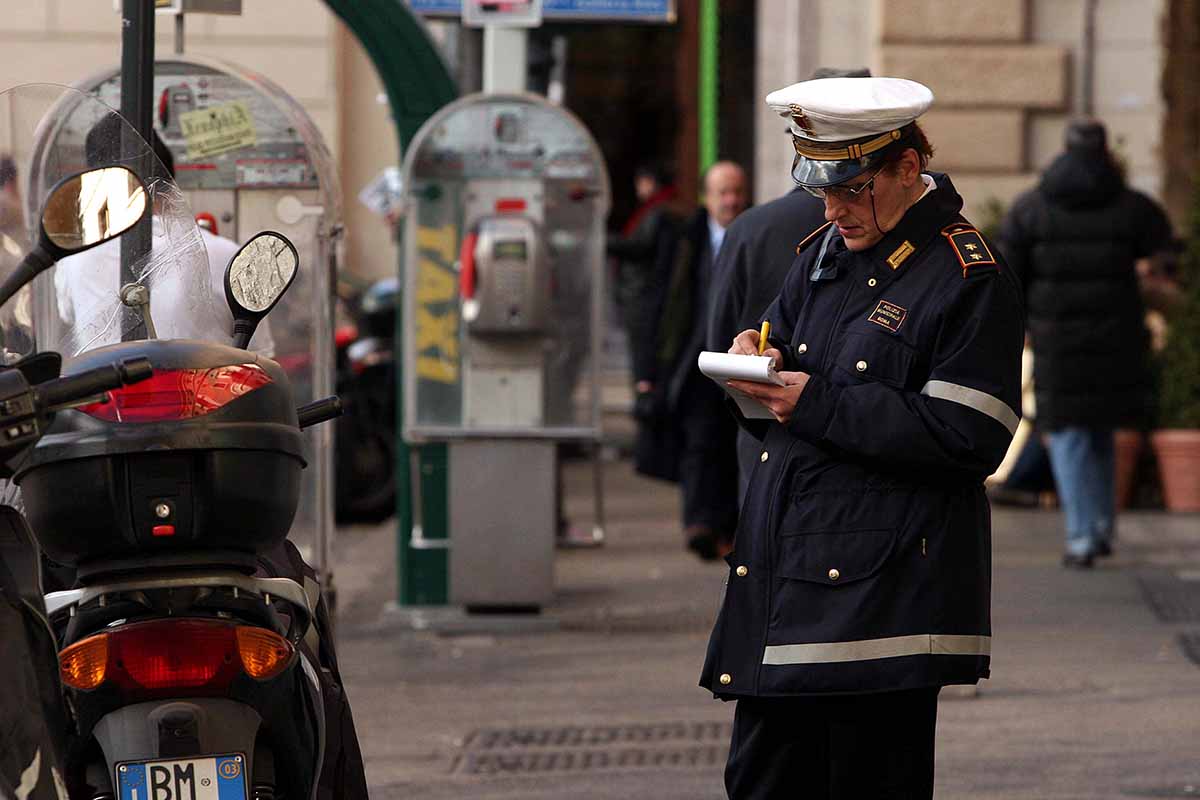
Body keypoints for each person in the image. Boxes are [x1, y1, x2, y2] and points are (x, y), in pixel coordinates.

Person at [699, 77, 1024, 798]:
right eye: (821, 186)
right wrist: (761, 358)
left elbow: (973, 435)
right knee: (760, 780)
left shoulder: (968, 274)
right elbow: (789, 354)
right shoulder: (826, 250)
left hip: (884, 598)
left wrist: (814, 404)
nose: (833, 207)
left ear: (907, 169)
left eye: (852, 186)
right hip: (792, 571)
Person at [998, 120, 1172, 568]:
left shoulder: (1034, 206)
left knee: (1069, 434)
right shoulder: (1130, 205)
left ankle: (1080, 535)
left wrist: (1020, 326)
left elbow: (1008, 270)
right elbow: (1166, 249)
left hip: (1058, 339)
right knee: (1102, 432)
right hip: (1117, 338)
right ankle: (1100, 528)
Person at [708, 67, 870, 501]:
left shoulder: (750, 228)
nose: (834, 213)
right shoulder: (804, 236)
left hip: (790, 442)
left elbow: (719, 338)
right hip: (795, 439)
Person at [53, 121, 274, 355]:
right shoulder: (227, 255)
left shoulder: (74, 258)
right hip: (203, 391)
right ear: (170, 182)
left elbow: (69, 314)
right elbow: (260, 358)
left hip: (102, 390)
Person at [647, 160, 748, 559]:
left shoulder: (754, 234)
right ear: (707, 197)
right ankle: (699, 522)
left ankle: (724, 525)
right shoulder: (685, 239)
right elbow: (660, 301)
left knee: (729, 443)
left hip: (739, 359)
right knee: (698, 443)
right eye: (723, 192)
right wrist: (652, 369)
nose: (731, 200)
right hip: (693, 360)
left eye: (737, 191)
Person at [606, 161, 679, 395]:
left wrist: (606, 241)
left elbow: (640, 246)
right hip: (642, 295)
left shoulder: (658, 212)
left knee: (644, 352)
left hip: (644, 295)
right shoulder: (655, 210)